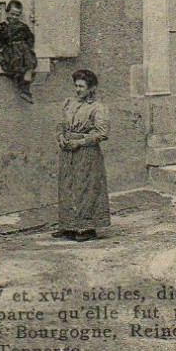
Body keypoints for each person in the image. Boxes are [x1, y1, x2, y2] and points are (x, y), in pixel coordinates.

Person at [53, 69, 110, 242]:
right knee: (67, 187)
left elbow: (103, 133)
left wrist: (80, 141)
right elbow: (61, 124)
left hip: (86, 153)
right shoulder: (68, 103)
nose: (78, 90)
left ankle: (86, 228)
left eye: (82, 86)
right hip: (67, 151)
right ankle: (68, 226)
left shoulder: (98, 108)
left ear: (91, 88)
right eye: (76, 86)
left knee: (85, 187)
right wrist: (61, 137)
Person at [0, 0, 37, 102]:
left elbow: (30, 38)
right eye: (12, 14)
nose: (15, 17)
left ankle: (27, 77)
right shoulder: (2, 27)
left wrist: (25, 46)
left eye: (17, 15)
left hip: (23, 50)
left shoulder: (23, 27)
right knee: (16, 65)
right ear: (7, 13)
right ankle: (24, 90)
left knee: (29, 61)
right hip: (9, 51)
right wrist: (0, 48)